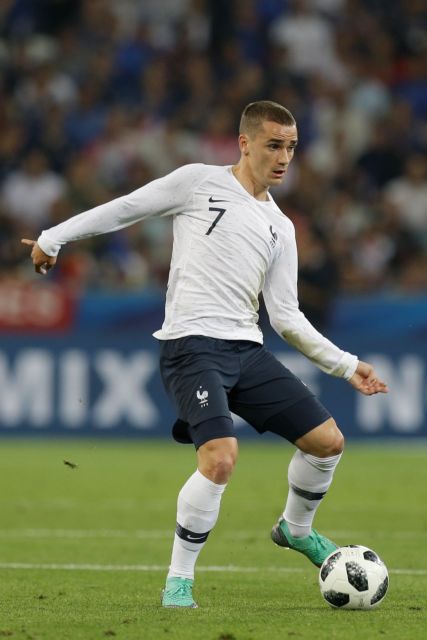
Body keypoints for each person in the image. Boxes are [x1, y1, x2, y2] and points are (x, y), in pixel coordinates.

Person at [22, 100, 388, 609]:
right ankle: (178, 582)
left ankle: (296, 530)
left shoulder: (280, 227)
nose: (284, 158)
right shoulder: (198, 182)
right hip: (191, 346)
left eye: (291, 147)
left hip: (247, 349)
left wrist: (346, 365)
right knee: (220, 458)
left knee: (327, 442)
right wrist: (53, 237)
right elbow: (128, 207)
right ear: (244, 143)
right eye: (273, 145)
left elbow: (286, 317)